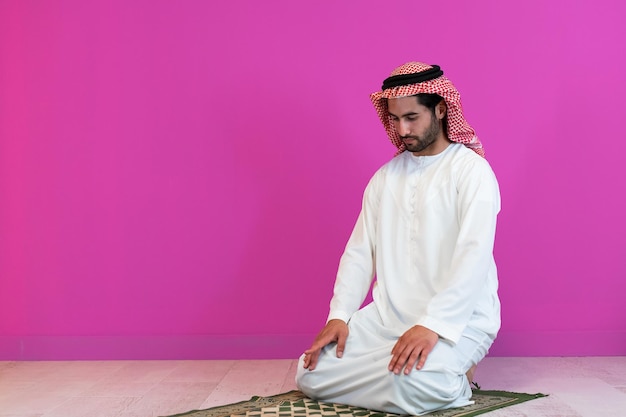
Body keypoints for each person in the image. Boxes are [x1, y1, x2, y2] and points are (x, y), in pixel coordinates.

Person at [295, 62, 501, 416]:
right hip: (388, 319)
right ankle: (404, 375)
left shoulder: (472, 172)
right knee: (310, 372)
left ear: (440, 108)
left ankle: (451, 374)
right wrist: (339, 315)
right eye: (394, 119)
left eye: (411, 117)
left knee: (413, 382)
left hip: (459, 320)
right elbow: (360, 253)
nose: (402, 129)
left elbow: (473, 257)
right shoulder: (384, 179)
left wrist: (432, 325)